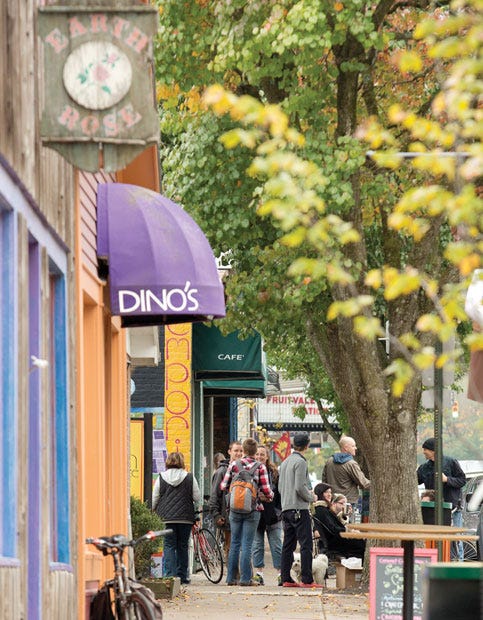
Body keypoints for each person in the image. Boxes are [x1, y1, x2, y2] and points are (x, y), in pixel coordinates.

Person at [220, 438, 273, 586]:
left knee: (234, 543)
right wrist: (269, 496)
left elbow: (223, 486)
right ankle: (245, 579)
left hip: (234, 509)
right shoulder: (260, 467)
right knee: (247, 545)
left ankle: (231, 578)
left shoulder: (233, 465)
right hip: (253, 509)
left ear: (243, 450)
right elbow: (267, 491)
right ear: (255, 452)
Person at [278, 431, 323, 588]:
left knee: (288, 545)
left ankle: (286, 578)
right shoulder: (301, 462)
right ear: (307, 445)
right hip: (299, 509)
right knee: (306, 544)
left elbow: (280, 487)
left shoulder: (285, 462)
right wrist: (312, 497)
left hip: (286, 507)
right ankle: (307, 579)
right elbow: (299, 487)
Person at [152, 451, 201, 585]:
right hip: (185, 517)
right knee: (183, 546)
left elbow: (155, 497)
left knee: (169, 545)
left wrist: (152, 511)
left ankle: (169, 576)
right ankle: (182, 577)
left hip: (166, 517)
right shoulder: (189, 477)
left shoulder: (161, 477)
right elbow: (197, 497)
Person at [417, 437, 466, 560]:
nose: (423, 452)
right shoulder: (424, 467)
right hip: (432, 510)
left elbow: (462, 480)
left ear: (433, 450)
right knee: (433, 537)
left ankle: (458, 562)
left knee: (455, 538)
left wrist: (447, 479)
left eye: (425, 449)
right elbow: (414, 481)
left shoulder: (451, 462)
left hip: (452, 508)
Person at [252, 444, 282, 586]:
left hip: (273, 515)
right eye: (257, 454)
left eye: (262, 454)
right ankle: (259, 574)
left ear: (267, 456)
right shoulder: (250, 471)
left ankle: (281, 574)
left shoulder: (275, 473)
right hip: (256, 514)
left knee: (276, 545)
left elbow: (280, 494)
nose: (259, 457)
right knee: (257, 545)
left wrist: (278, 511)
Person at [312, 485, 366, 562]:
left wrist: (343, 516)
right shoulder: (322, 510)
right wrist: (349, 532)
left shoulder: (323, 509)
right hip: (334, 543)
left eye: (330, 492)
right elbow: (333, 529)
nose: (329, 494)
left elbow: (333, 525)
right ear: (320, 493)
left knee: (361, 541)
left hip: (334, 541)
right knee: (361, 543)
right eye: (326, 492)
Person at [208, 440, 243, 558]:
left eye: (241, 451)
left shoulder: (245, 469)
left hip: (244, 516)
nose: (239, 453)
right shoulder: (222, 471)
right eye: (236, 451)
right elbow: (214, 495)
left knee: (243, 548)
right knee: (230, 548)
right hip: (228, 517)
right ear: (229, 452)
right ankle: (232, 569)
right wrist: (216, 515)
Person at [322, 436, 370, 511]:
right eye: (353, 446)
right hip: (348, 502)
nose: (355, 448)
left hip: (333, 501)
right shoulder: (351, 464)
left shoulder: (329, 461)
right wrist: (377, 484)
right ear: (346, 448)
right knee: (348, 518)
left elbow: (324, 482)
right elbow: (364, 483)